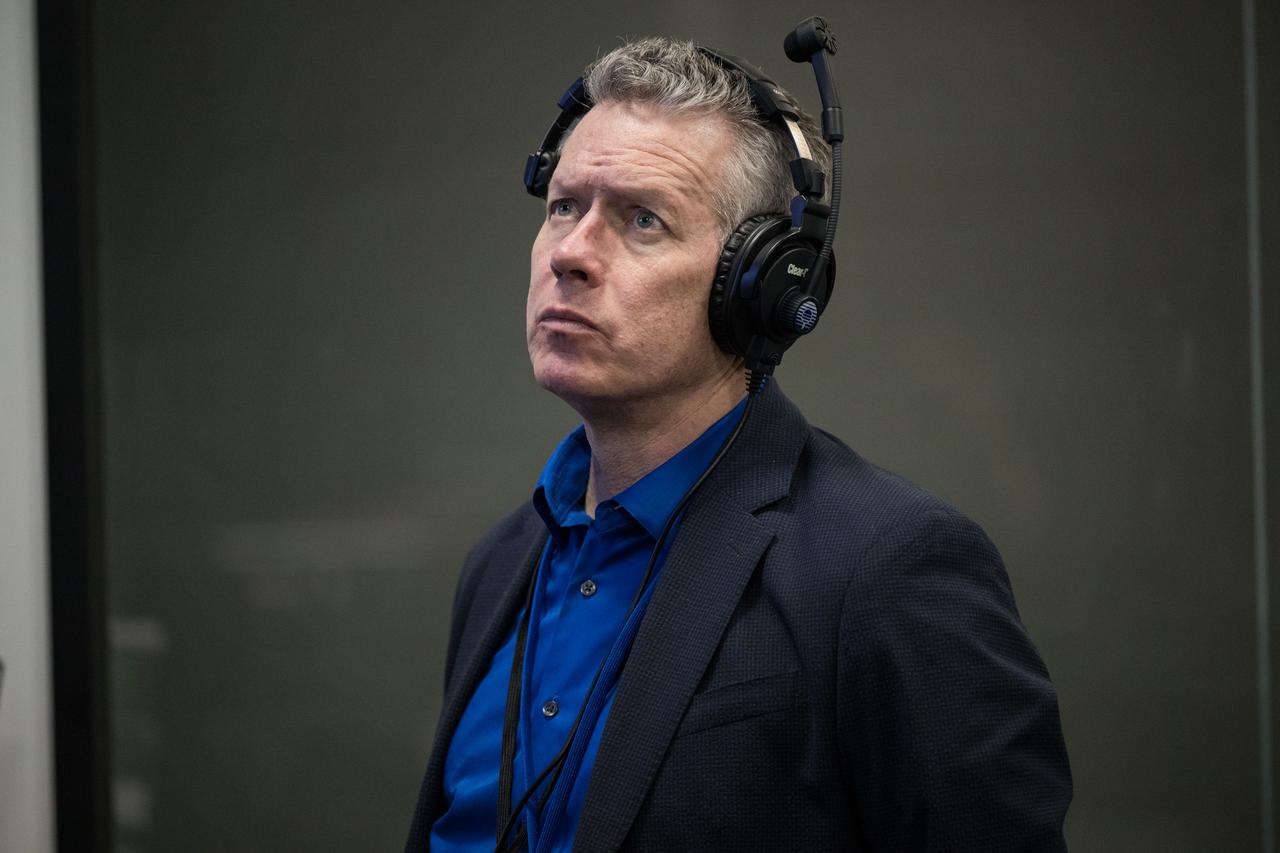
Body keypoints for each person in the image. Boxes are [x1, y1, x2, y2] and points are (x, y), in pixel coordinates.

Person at [406, 32, 1072, 853]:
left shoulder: (889, 567)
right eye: (564, 207)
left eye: (641, 219)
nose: (572, 255)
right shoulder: (502, 563)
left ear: (760, 281)